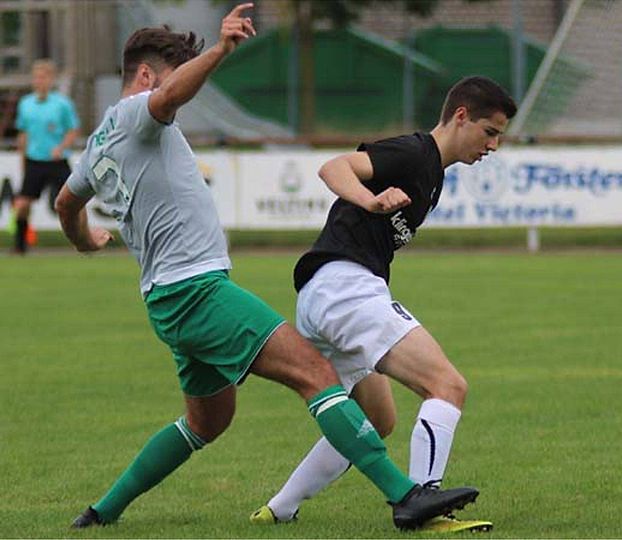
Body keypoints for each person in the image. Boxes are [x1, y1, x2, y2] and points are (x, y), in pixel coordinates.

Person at [55, 4, 477, 531]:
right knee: (317, 374)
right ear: (144, 75)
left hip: (166, 302)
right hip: (197, 292)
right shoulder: (136, 110)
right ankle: (403, 496)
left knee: (207, 421)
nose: (174, 100)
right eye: (167, 77)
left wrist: (85, 240)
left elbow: (65, 205)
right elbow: (167, 96)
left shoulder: (98, 146)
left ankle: (102, 512)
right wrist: (221, 50)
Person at [249, 75, 516, 533]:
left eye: (500, 137)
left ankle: (280, 507)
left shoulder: (434, 175)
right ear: (460, 117)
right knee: (447, 385)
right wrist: (371, 201)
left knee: (377, 417)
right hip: (343, 288)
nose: (493, 146)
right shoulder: (414, 153)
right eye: (489, 132)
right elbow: (334, 168)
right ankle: (423, 502)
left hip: (324, 294)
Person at [11, 59, 79, 254]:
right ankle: (19, 245)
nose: (38, 81)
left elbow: (73, 130)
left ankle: (81, 239)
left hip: (57, 161)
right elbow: (23, 133)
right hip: (35, 160)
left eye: (42, 77)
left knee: (73, 202)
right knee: (23, 204)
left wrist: (62, 147)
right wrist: (22, 158)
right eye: (36, 77)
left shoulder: (62, 104)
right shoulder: (26, 103)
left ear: (51, 79)